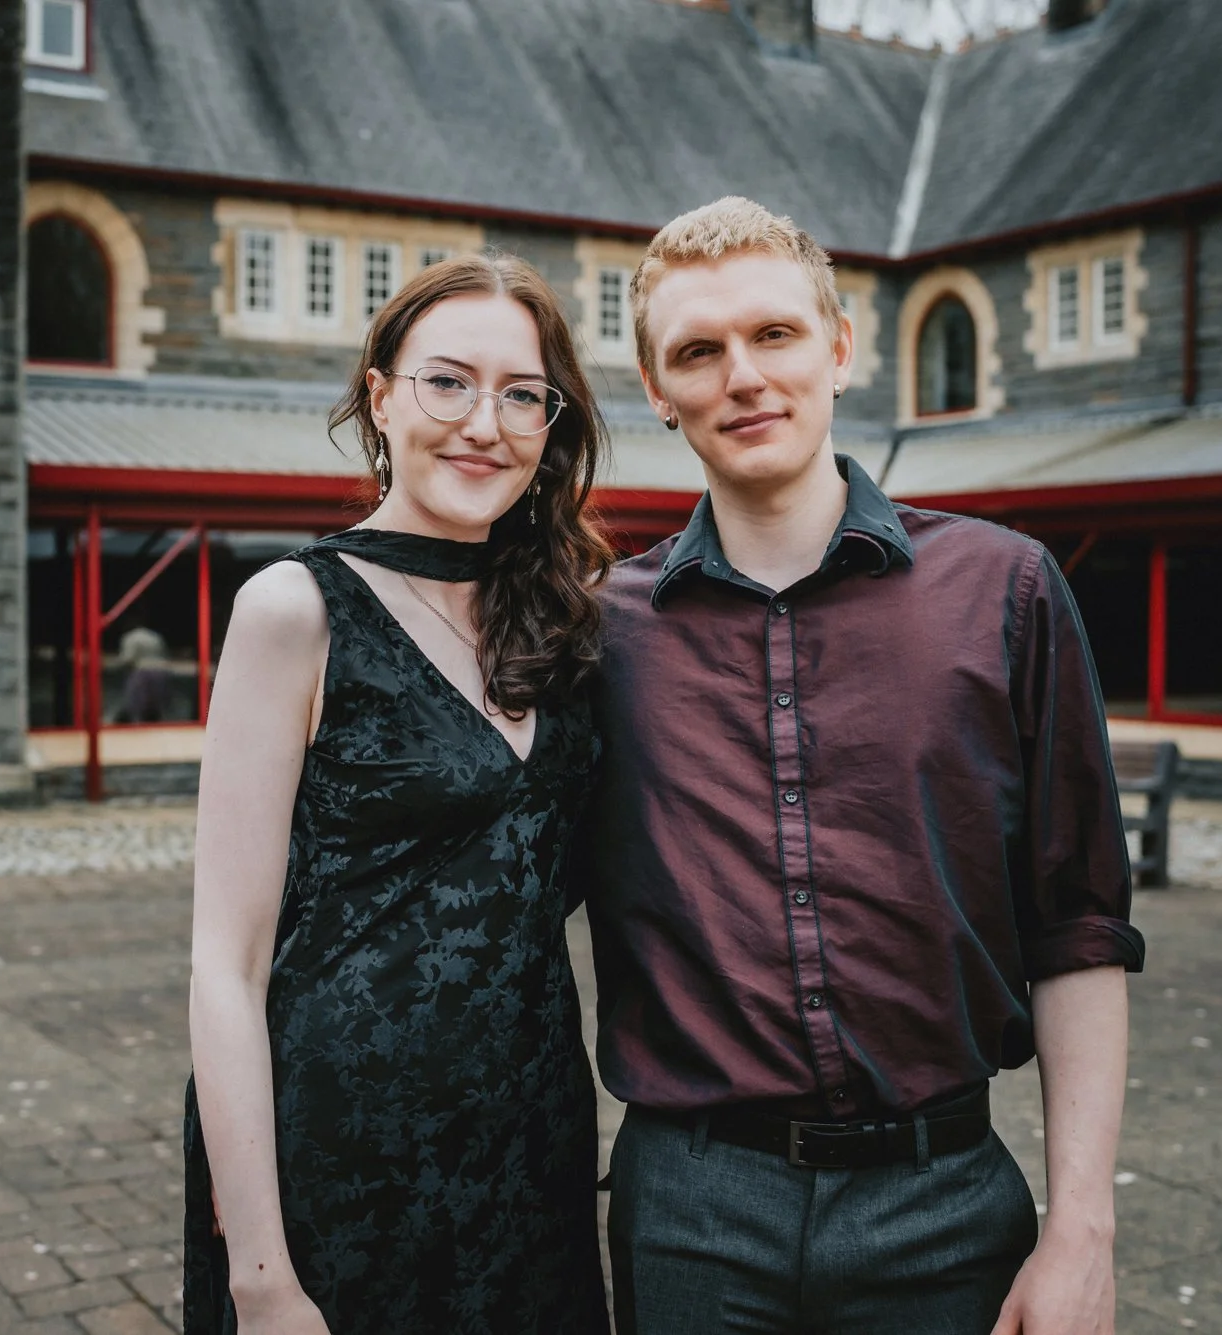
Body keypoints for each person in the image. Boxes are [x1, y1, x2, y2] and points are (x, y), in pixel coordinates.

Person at [576, 196, 1144, 1334]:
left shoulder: (1006, 590)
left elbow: (1076, 923)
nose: (741, 376)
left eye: (772, 335)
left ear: (837, 349)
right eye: (698, 351)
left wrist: (1080, 1227)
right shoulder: (599, 634)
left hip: (941, 1202)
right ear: (656, 390)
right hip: (690, 1208)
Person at [184, 253, 615, 1334]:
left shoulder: (562, 622)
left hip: (530, 1151)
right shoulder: (294, 609)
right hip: (338, 1163)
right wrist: (261, 1277)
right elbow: (221, 964)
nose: (485, 421)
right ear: (379, 394)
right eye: (447, 380)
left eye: (522, 394)